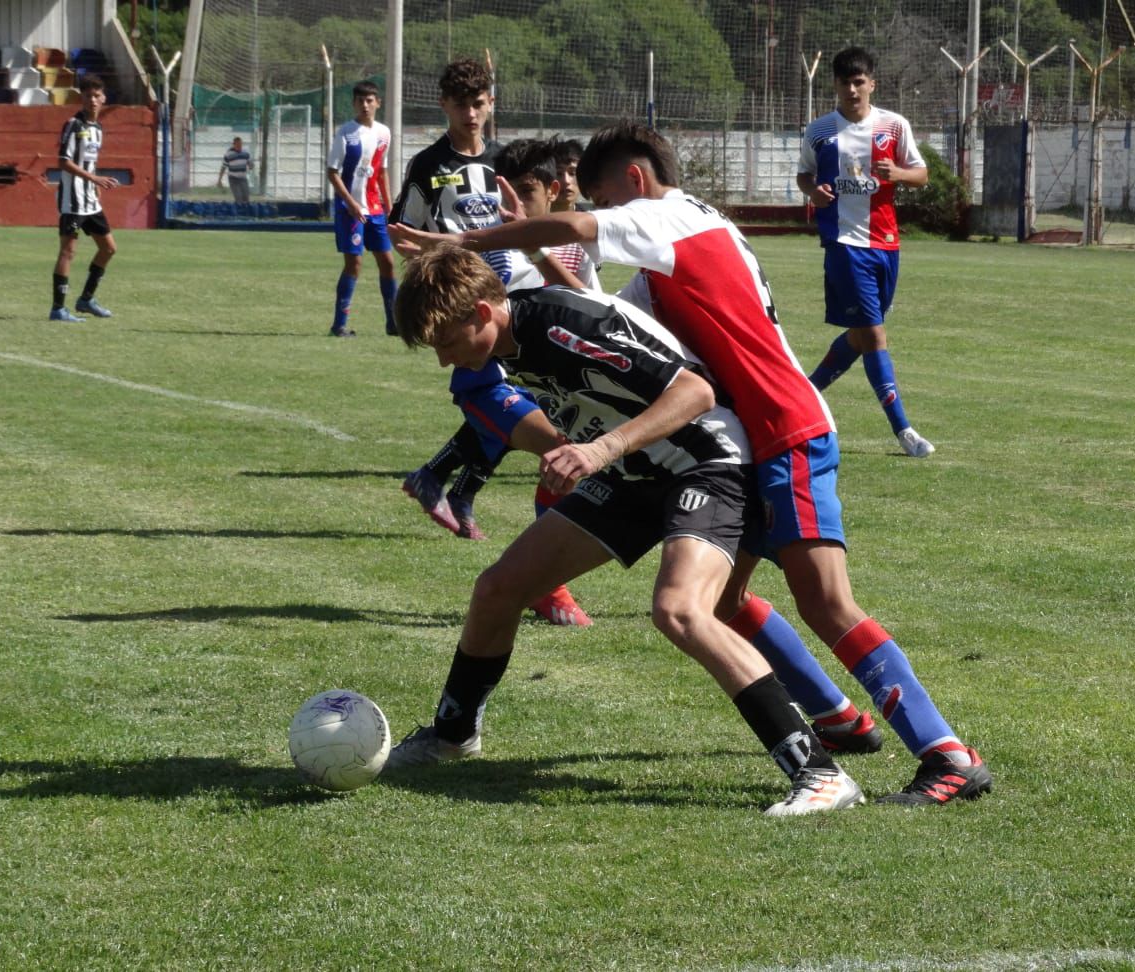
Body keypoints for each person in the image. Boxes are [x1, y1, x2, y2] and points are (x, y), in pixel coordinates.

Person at [390, 121, 992, 807]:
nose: (598, 214)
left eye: (602, 198)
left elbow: (586, 246)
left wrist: (469, 241)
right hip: (729, 436)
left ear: (637, 182)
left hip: (774, 426)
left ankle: (944, 754)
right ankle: (836, 719)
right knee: (723, 602)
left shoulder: (668, 216)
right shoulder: (675, 258)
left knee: (820, 603)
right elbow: (605, 321)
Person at [384, 245, 865, 817]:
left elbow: (696, 392)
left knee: (680, 611)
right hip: (637, 471)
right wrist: (571, 449)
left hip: (707, 460)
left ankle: (819, 773)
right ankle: (452, 735)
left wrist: (599, 449)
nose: (444, 359)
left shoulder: (562, 327)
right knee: (498, 589)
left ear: (483, 315)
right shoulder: (508, 344)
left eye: (447, 343)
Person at [390, 59, 589, 627]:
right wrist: (439, 277)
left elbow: (533, 220)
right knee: (554, 444)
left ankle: (443, 483)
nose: (470, 113)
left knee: (548, 433)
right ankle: (543, 583)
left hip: (525, 310)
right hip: (474, 316)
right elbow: (407, 234)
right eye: (460, 103)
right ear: (445, 106)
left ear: (490, 104)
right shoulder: (429, 166)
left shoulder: (505, 163)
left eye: (478, 103)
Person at [798, 47, 934, 459]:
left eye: (860, 82)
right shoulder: (820, 131)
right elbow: (804, 175)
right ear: (835, 86)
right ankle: (904, 431)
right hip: (843, 244)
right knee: (875, 334)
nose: (853, 89)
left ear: (872, 84)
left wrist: (900, 174)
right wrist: (813, 192)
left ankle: (800, 396)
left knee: (860, 337)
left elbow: (921, 174)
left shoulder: (894, 127)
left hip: (886, 245)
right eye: (845, 82)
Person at [326, 81, 398, 338]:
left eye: (370, 100)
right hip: (350, 210)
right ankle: (339, 325)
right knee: (354, 264)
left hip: (375, 209)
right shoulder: (346, 132)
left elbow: (381, 172)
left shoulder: (384, 133)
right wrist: (351, 202)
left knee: (388, 263)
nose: (365, 105)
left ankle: (393, 323)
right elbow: (332, 172)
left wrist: (391, 207)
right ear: (354, 104)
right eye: (360, 101)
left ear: (377, 102)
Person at [49, 74, 118, 322]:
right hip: (72, 201)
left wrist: (95, 182)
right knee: (68, 251)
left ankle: (86, 299)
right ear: (82, 98)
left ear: (104, 98)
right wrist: (93, 178)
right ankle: (58, 309)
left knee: (108, 248)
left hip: (90, 201)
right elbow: (63, 162)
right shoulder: (74, 125)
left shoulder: (98, 128)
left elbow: (88, 161)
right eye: (88, 96)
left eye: (97, 95)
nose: (93, 100)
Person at [217, 136, 252, 206]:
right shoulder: (229, 154)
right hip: (233, 179)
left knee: (246, 197)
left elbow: (250, 163)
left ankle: (246, 213)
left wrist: (251, 166)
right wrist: (219, 180)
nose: (239, 146)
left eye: (241, 144)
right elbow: (223, 167)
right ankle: (238, 213)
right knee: (238, 198)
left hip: (243, 178)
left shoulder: (246, 153)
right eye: (238, 145)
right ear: (234, 144)